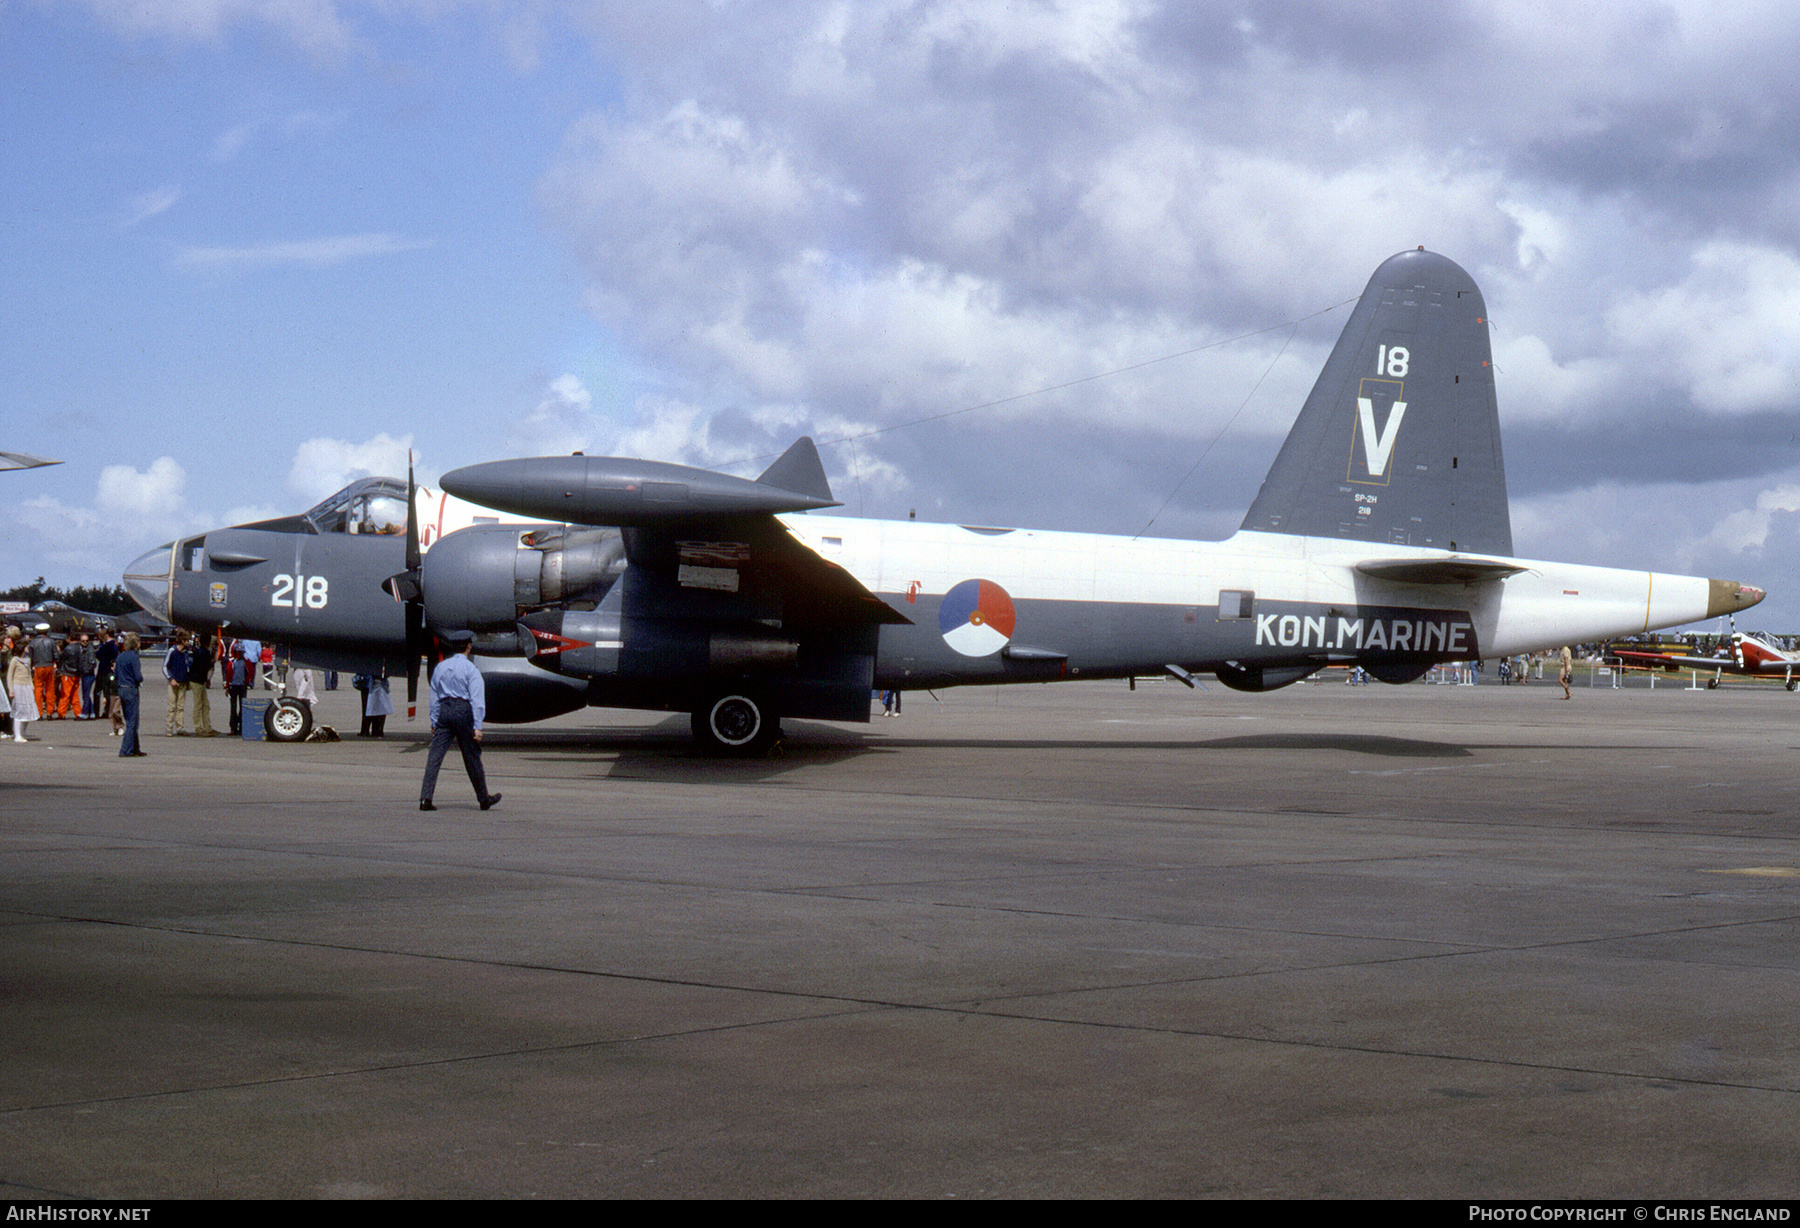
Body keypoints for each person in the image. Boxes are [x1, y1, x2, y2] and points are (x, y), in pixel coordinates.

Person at [419, 631, 499, 812]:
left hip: (445, 711)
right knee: (471, 756)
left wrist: (434, 719)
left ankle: (425, 798)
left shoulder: (441, 667)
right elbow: (477, 700)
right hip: (463, 711)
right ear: (468, 646)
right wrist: (477, 726)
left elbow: (435, 694)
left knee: (435, 757)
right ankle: (483, 798)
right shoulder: (471, 669)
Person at [116, 632, 146, 756]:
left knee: (130, 719)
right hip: (131, 689)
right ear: (136, 644)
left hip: (121, 688)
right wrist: (140, 679)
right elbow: (138, 676)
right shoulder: (134, 657)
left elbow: (116, 674)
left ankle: (135, 748)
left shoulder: (120, 656)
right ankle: (125, 750)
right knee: (132, 722)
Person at [7, 633, 37, 742]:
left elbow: (29, 674)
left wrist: (31, 685)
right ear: (22, 648)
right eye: (26, 647)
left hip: (27, 686)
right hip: (17, 686)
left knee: (28, 710)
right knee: (19, 711)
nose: (28, 648)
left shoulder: (28, 660)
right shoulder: (14, 660)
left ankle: (23, 733)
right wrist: (11, 689)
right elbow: (10, 675)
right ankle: (17, 735)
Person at [164, 632, 190, 735]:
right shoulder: (172, 651)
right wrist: (171, 679)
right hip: (173, 682)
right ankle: (169, 728)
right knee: (171, 706)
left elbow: (188, 666)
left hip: (183, 682)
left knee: (180, 707)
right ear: (182, 641)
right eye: (187, 640)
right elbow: (165, 666)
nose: (188, 642)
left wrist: (187, 680)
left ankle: (180, 728)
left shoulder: (186, 652)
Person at [223, 643, 250, 735]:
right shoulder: (232, 661)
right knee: (233, 708)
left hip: (242, 686)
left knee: (243, 707)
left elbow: (250, 672)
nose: (239, 654)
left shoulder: (246, 661)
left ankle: (242, 727)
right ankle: (233, 728)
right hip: (233, 686)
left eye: (241, 652)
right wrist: (227, 687)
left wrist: (247, 682)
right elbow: (228, 675)